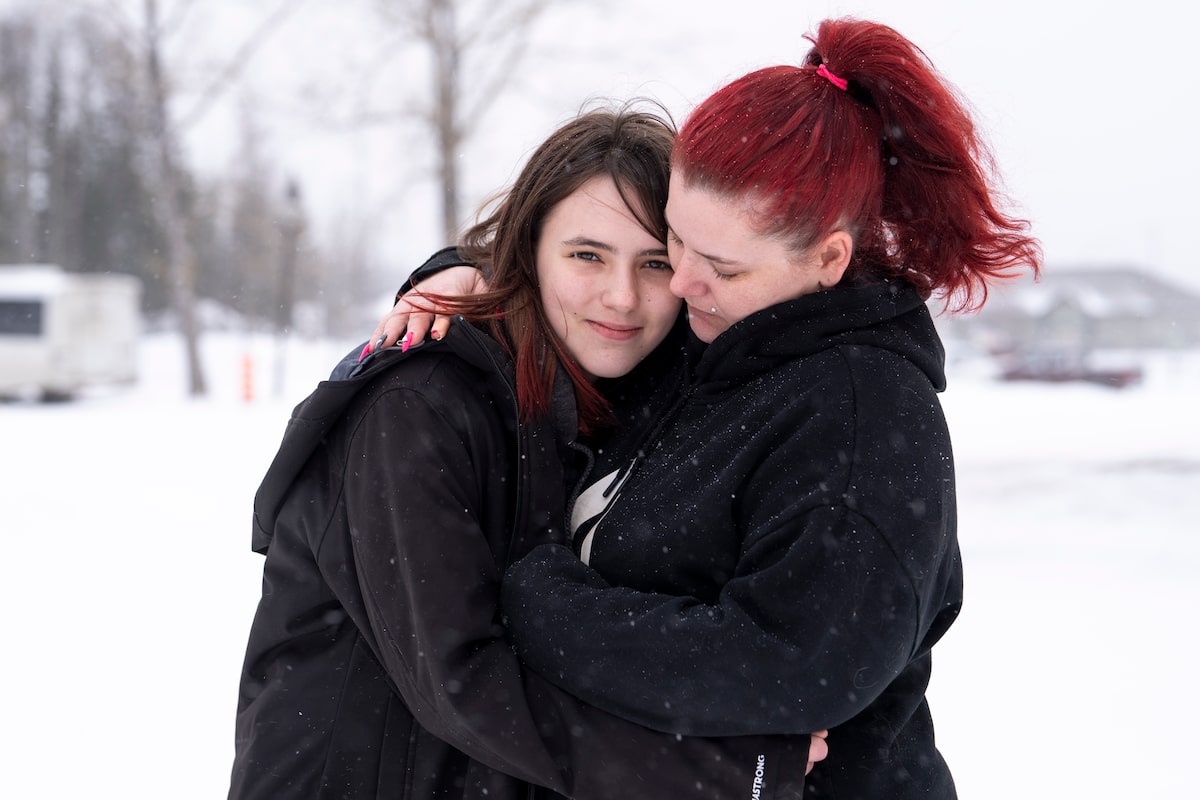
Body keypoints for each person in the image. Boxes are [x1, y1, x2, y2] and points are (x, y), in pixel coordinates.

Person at [371, 17, 1042, 800]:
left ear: (828, 259)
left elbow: (794, 667)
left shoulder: (864, 419)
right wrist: (466, 271)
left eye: (717, 264)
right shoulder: (717, 339)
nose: (678, 282)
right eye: (675, 242)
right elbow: (577, 254)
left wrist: (536, 599)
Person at [228, 106, 822, 800]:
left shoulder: (617, 400)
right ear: (529, 249)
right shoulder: (416, 410)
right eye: (586, 255)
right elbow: (463, 682)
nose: (622, 296)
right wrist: (732, 768)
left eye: (655, 261)